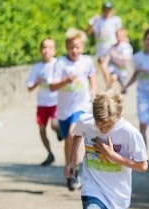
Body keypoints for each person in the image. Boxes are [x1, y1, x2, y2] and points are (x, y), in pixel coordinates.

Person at [49, 28, 97, 191]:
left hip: (81, 106)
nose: (74, 50)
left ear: (82, 47)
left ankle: (76, 170)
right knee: (68, 142)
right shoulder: (60, 63)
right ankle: (70, 171)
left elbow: (92, 75)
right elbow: (52, 86)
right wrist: (66, 81)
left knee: (73, 134)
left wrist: (93, 91)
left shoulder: (87, 61)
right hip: (64, 110)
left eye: (77, 47)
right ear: (66, 47)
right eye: (71, 47)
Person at [26, 38, 60, 166]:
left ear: (55, 50)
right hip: (42, 103)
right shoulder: (37, 67)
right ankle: (50, 154)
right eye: (44, 47)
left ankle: (60, 132)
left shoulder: (58, 64)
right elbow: (29, 87)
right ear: (40, 50)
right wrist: (36, 83)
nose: (46, 50)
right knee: (41, 130)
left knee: (54, 125)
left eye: (50, 48)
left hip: (56, 101)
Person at [87, 1, 122, 89]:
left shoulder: (116, 20)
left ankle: (109, 88)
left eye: (109, 9)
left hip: (111, 49)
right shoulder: (98, 20)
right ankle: (118, 86)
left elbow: (119, 33)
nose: (107, 11)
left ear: (112, 10)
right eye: (105, 9)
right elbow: (88, 32)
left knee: (104, 66)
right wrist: (93, 22)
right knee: (106, 69)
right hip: (100, 50)